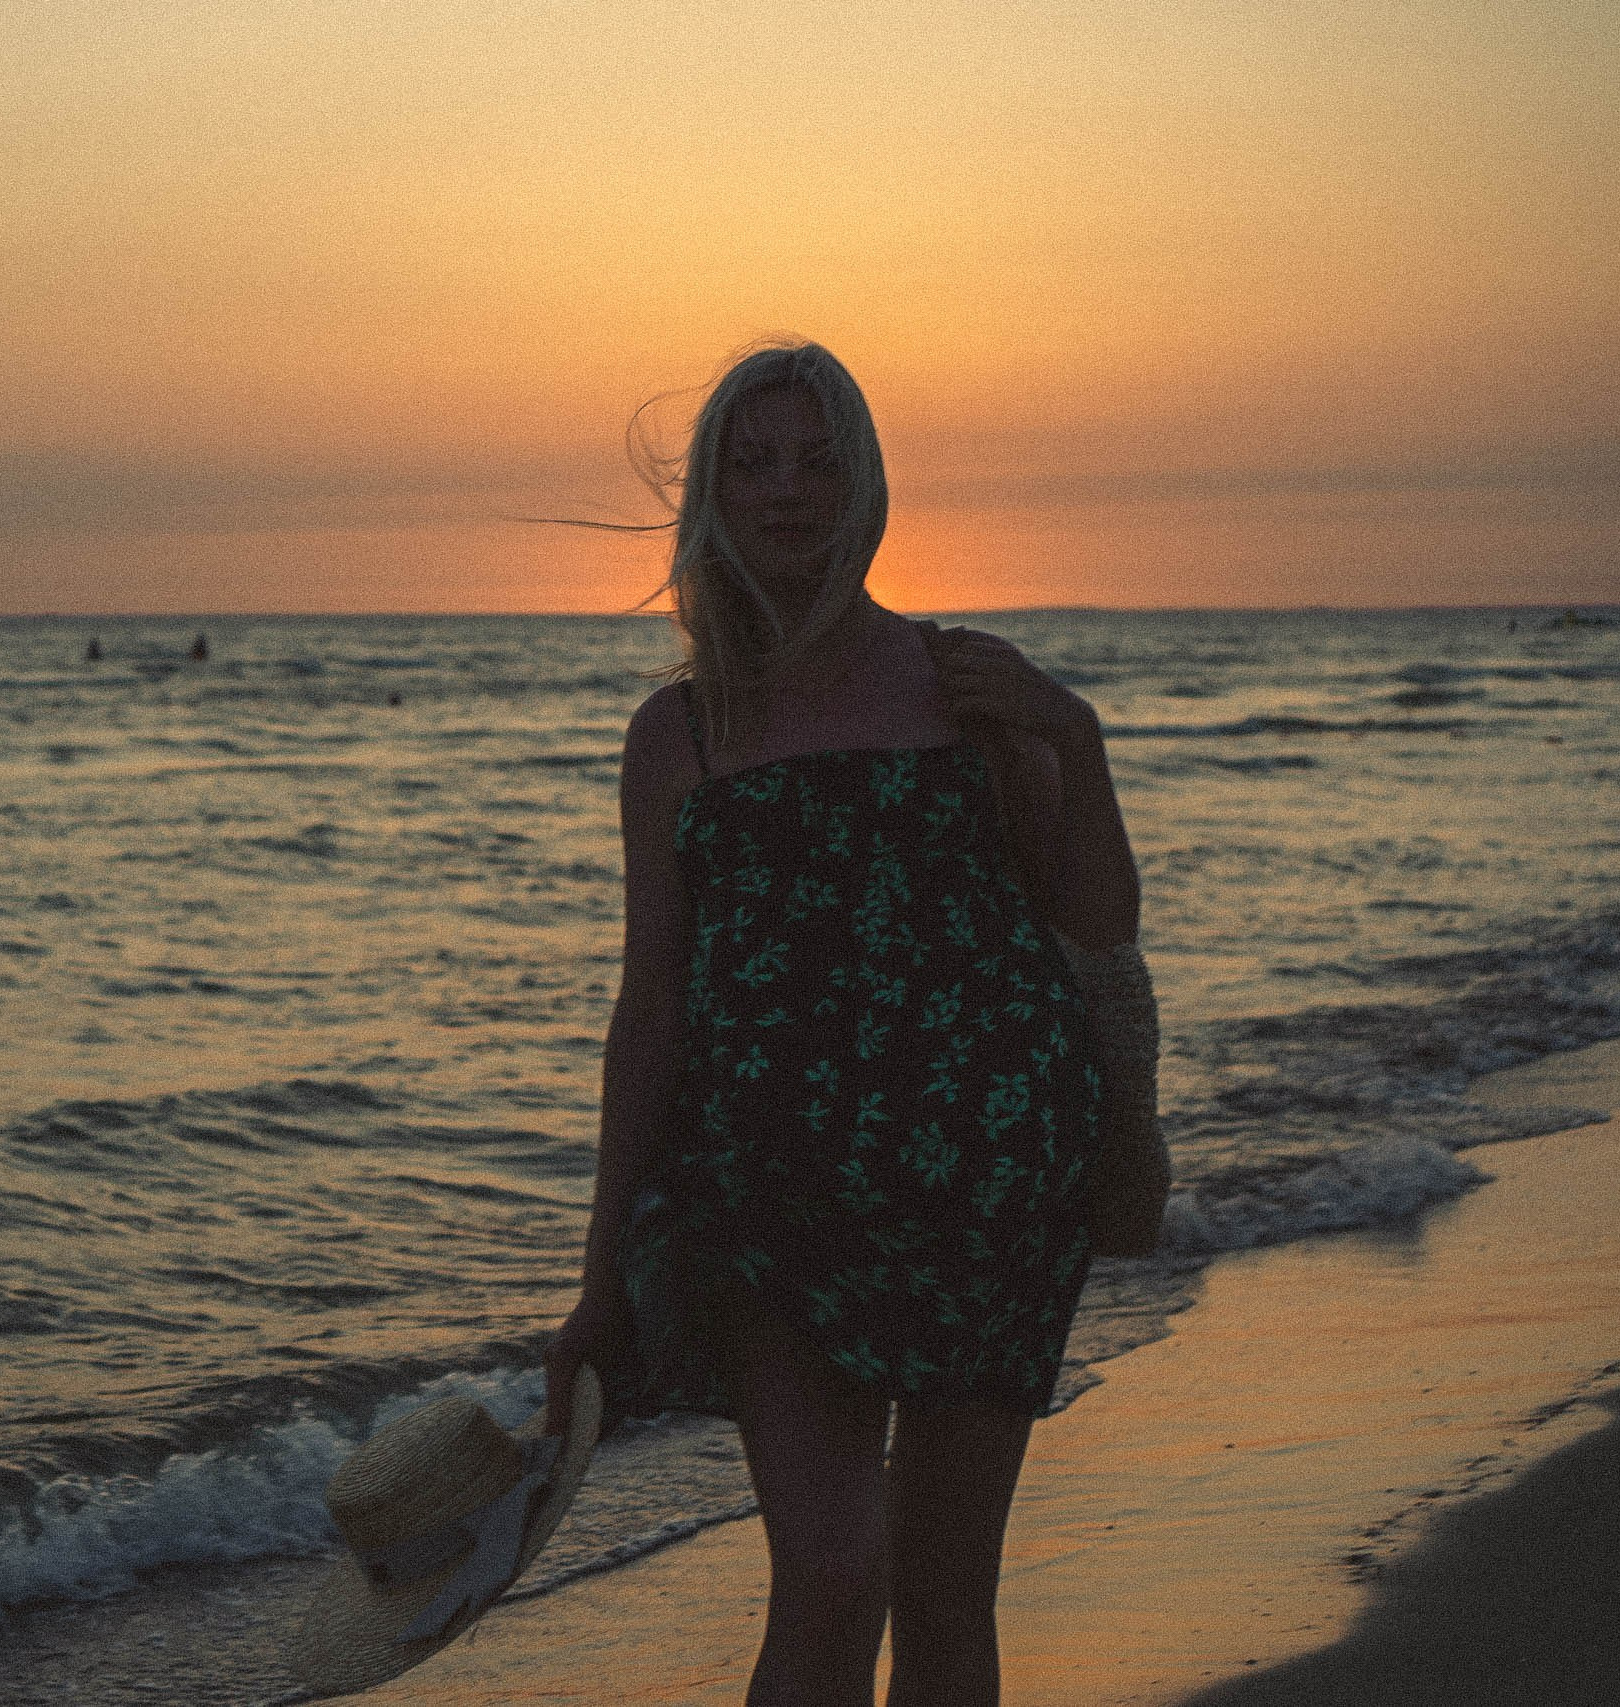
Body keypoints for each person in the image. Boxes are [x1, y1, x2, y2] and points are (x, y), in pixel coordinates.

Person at [542, 340, 1141, 1707]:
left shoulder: (964, 685)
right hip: (770, 1206)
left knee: (945, 1595)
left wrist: (1074, 735)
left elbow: (1098, 920)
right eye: (752, 463)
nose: (785, 491)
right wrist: (600, 1276)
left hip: (991, 1190)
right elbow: (653, 1005)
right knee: (829, 1573)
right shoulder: (681, 734)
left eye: (816, 460)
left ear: (863, 482)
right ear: (712, 496)